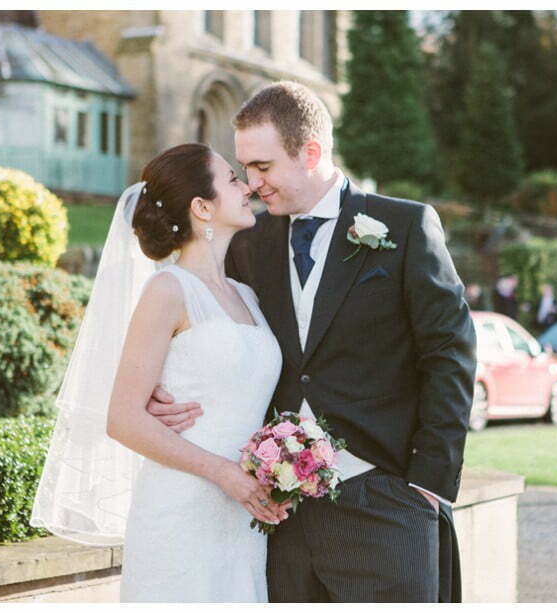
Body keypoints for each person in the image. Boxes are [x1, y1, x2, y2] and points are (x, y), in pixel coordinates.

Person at [147, 82, 476, 602]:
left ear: (311, 152)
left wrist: (429, 481)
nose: (252, 184)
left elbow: (450, 353)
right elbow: (210, 328)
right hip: (280, 517)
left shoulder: (405, 225)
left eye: (263, 166)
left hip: (387, 497)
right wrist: (159, 390)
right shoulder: (247, 243)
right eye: (244, 169)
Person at [30, 143, 290, 602]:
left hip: (242, 514)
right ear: (201, 207)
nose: (246, 185)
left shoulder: (246, 296)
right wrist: (223, 472)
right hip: (182, 505)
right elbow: (123, 419)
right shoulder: (168, 290)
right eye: (232, 178)